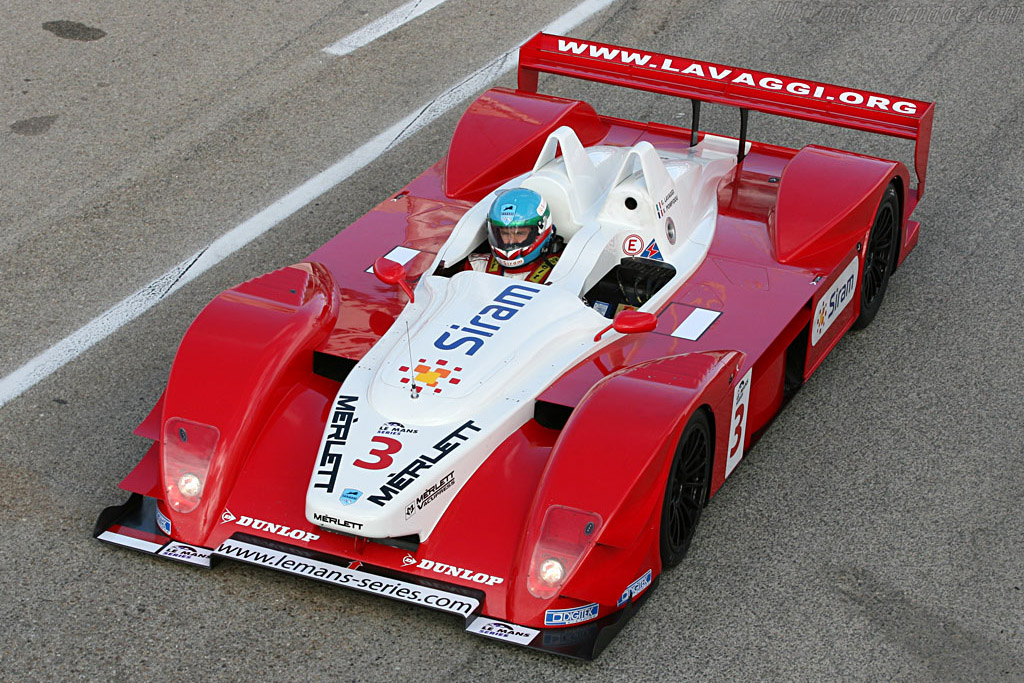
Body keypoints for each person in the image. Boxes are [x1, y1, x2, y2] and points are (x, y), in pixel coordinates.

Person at [466, 188, 563, 284]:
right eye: (505, 233)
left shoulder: (559, 273)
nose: (510, 240)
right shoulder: (475, 267)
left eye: (520, 233)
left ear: (541, 229)